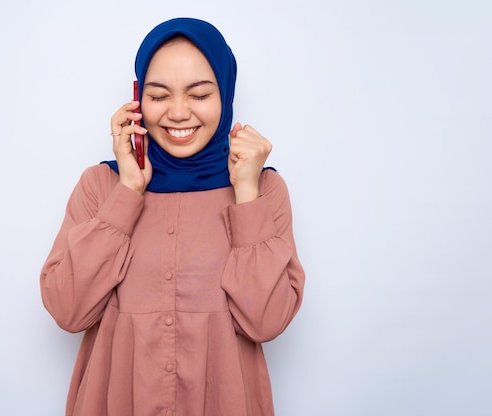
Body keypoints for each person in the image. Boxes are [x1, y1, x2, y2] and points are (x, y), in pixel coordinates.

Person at [40, 17, 305, 416]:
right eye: (159, 95)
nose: (178, 113)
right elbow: (68, 310)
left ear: (226, 96)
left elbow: (266, 322)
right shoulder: (101, 186)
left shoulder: (263, 190)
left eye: (199, 94)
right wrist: (128, 192)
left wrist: (246, 194)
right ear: (137, 101)